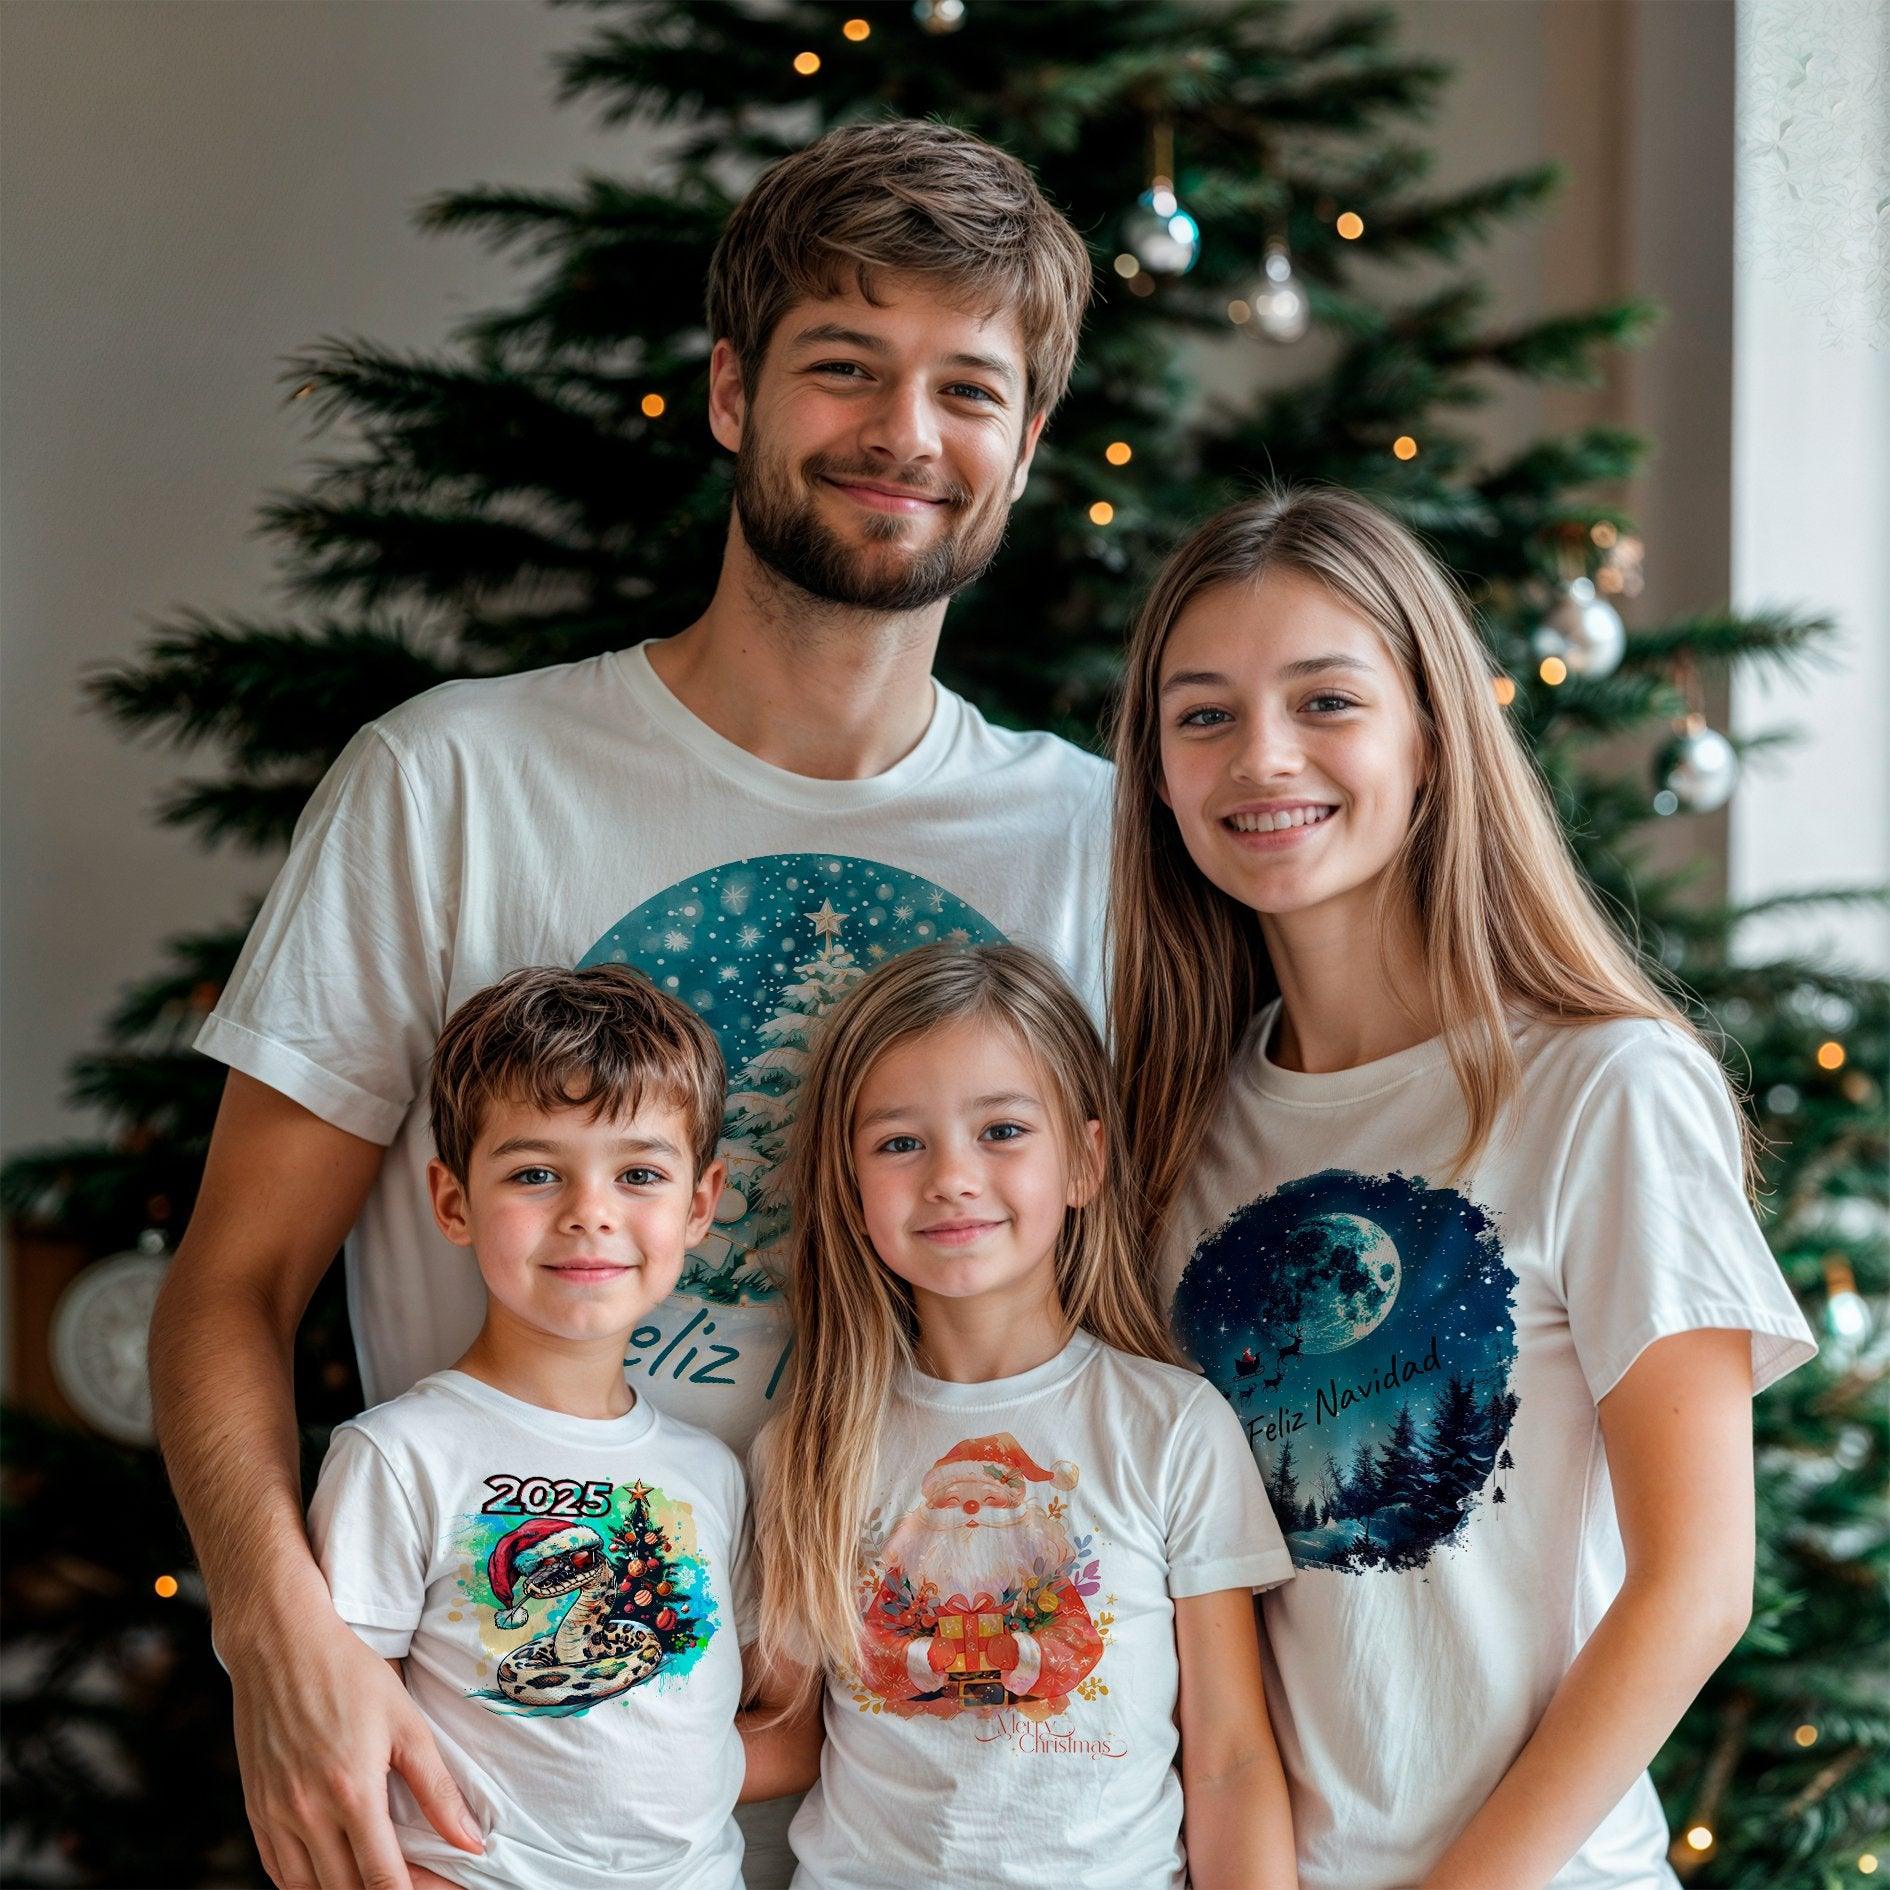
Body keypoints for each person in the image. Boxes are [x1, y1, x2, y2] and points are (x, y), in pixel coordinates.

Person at [149, 120, 1099, 1890]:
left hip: (966, 1801)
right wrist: (280, 1642)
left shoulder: (1100, 843)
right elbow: (233, 1281)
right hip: (494, 1804)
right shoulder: (451, 781)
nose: (907, 434)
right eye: (846, 367)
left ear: (1029, 444)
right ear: (733, 392)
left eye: (971, 389)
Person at [1105, 486, 1818, 1890]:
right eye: (1201, 715)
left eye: (1325, 701)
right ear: (1156, 772)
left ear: (1429, 737)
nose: (1260, 756)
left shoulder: (1603, 1089)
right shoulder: (1170, 1133)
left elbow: (1694, 1587)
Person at [751, 942, 1298, 1890]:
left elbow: (1231, 1760)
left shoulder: (1171, 1427)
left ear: (1083, 1161)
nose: (951, 1177)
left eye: (1001, 1131)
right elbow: (782, 1735)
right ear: (849, 1186)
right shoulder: (808, 1446)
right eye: (899, 1143)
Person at [309, 962, 790, 1890]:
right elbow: (339, 1749)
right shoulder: (398, 1457)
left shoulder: (712, 1474)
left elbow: (728, 1726)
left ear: (700, 1204)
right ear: (453, 1201)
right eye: (536, 1173)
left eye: (639, 1174)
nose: (589, 1214)